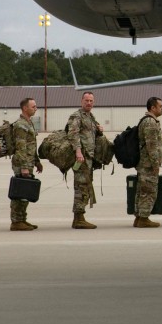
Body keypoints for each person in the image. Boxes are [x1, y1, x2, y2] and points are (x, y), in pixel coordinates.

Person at [66, 91, 102, 229]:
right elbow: (73, 134)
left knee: (85, 186)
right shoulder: (77, 116)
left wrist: (99, 129)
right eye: (86, 100)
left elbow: (91, 133)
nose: (89, 103)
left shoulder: (90, 117)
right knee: (81, 187)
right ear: (81, 101)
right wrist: (78, 151)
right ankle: (79, 218)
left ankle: (79, 217)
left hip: (89, 158)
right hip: (81, 158)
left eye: (91, 101)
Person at [9, 97, 43, 231]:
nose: (36, 108)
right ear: (25, 108)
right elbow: (21, 147)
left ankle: (22, 219)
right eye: (33, 106)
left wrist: (37, 161)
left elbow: (31, 145)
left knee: (25, 193)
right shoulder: (21, 125)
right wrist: (24, 167)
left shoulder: (29, 123)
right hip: (22, 163)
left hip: (28, 162)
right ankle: (16, 221)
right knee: (20, 193)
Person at [134, 97, 162, 228]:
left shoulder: (146, 121)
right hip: (148, 164)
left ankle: (139, 217)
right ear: (153, 108)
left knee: (142, 190)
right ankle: (144, 218)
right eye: (160, 106)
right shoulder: (151, 122)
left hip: (144, 163)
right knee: (149, 191)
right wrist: (155, 164)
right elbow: (151, 146)